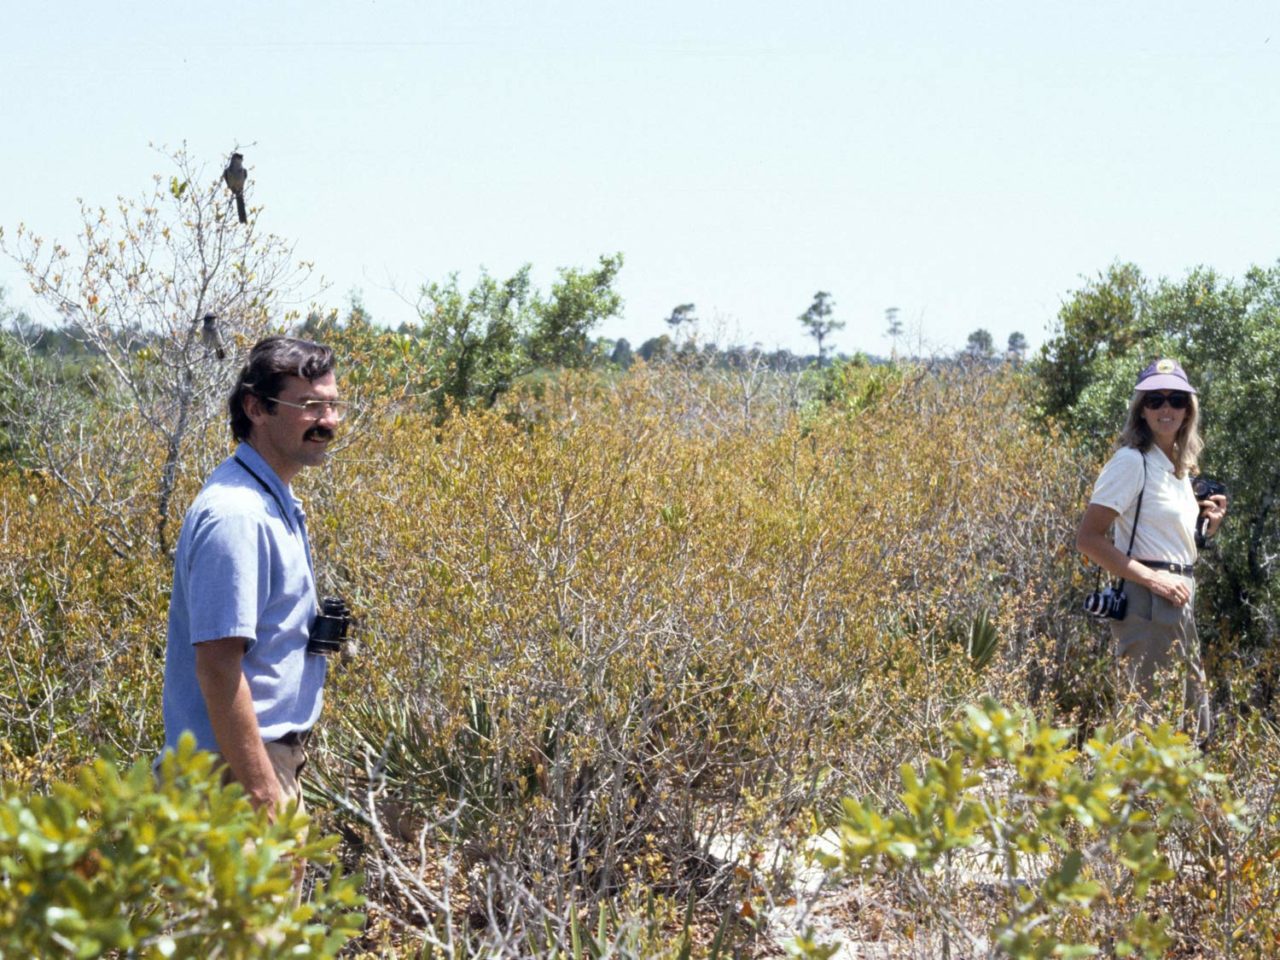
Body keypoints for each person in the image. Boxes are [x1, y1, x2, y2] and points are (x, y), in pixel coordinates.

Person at [161, 335, 348, 822]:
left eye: (333, 406)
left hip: (254, 765)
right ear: (256, 407)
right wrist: (263, 792)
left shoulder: (269, 501)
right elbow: (219, 667)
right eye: (309, 406)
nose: (327, 422)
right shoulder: (238, 515)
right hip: (234, 778)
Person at [1076, 358, 1227, 740]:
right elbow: (1089, 538)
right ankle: (1100, 796)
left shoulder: (1179, 469)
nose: (1166, 409)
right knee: (1153, 725)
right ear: (1141, 410)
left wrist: (1208, 528)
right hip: (1147, 601)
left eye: (1176, 399)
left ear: (1187, 410)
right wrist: (1154, 581)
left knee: (1191, 724)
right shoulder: (1131, 462)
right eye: (1155, 399)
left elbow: (1172, 545)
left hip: (1177, 599)